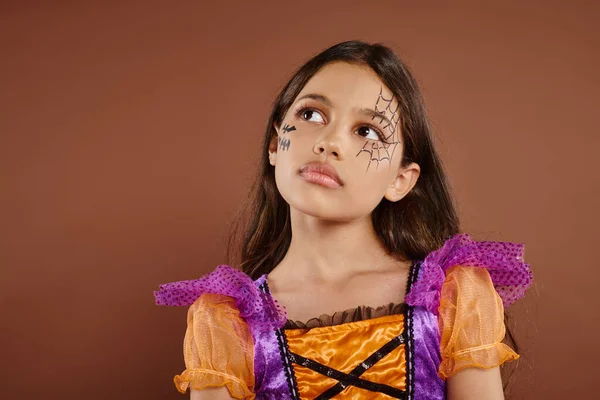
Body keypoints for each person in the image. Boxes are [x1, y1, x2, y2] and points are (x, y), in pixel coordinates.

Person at [154, 41, 533, 400]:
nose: (329, 142)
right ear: (274, 145)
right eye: (311, 114)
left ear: (401, 180)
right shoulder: (224, 321)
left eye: (367, 131)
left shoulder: (454, 297)